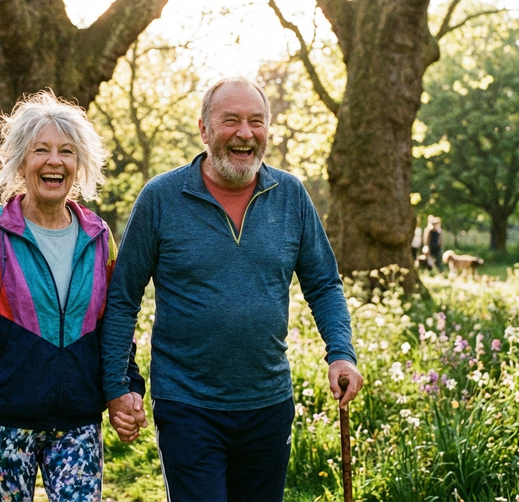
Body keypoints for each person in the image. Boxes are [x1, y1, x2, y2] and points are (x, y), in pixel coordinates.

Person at [100, 77, 363, 501]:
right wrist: (116, 386)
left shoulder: (291, 195)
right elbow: (122, 298)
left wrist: (342, 354)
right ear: (204, 130)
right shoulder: (161, 198)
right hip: (187, 403)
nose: (245, 133)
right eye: (231, 121)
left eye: (256, 121)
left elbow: (324, 284)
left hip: (268, 402)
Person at [0, 91, 145, 502]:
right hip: (3, 421)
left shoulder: (98, 236)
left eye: (67, 151)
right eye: (41, 150)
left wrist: (127, 386)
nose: (54, 160)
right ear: (22, 161)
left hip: (77, 421)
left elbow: (117, 323)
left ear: (79, 165)